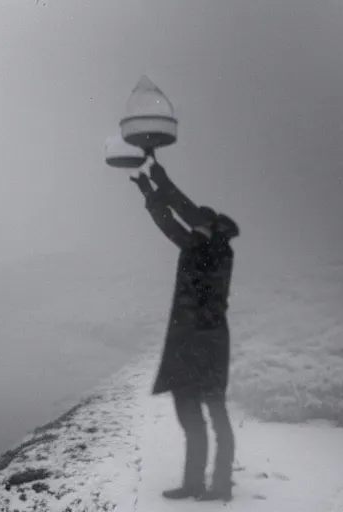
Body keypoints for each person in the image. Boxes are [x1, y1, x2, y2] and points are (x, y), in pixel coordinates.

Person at [130, 149, 240, 502]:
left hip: (208, 345)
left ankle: (220, 484)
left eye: (198, 225)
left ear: (212, 228)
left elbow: (186, 212)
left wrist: (163, 182)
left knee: (216, 414)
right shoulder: (193, 248)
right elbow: (169, 223)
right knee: (189, 415)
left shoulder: (220, 251)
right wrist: (151, 196)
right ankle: (193, 483)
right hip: (186, 347)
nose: (191, 229)